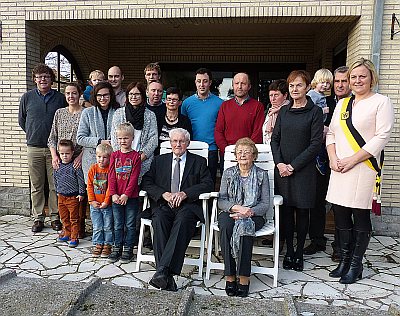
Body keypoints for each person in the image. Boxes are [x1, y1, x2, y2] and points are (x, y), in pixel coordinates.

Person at [326, 58, 394, 284]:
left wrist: (353, 160)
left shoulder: (381, 102)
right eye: (353, 77)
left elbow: (382, 136)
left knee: (360, 217)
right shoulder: (343, 104)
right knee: (342, 217)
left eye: (362, 76)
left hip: (363, 168)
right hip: (339, 168)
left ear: (372, 78)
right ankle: (344, 261)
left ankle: (356, 265)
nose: (357, 81)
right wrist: (333, 158)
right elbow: (331, 134)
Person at [142, 128, 213, 291]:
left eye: (181, 141)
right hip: (164, 205)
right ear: (170, 143)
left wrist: (185, 193)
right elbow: (147, 182)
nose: (178, 144)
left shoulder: (199, 162)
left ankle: (161, 272)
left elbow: (207, 183)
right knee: (158, 220)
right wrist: (164, 194)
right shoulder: (159, 161)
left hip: (187, 206)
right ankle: (166, 276)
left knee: (182, 221)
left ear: (187, 143)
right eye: (174, 141)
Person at [270, 70, 323, 272]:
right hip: (283, 170)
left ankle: (299, 252)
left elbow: (315, 144)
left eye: (299, 85)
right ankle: (289, 251)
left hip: (303, 171)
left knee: (302, 212)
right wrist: (280, 164)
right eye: (291, 86)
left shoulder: (314, 112)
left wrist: (293, 166)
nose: (294, 89)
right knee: (285, 212)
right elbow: (275, 139)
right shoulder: (284, 111)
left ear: (307, 87)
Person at [218, 138, 270, 298]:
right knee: (226, 226)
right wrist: (236, 208)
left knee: (245, 226)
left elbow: (265, 203)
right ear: (235, 155)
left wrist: (249, 212)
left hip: (254, 215)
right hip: (231, 212)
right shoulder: (228, 174)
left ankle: (244, 277)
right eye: (239, 152)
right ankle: (230, 275)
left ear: (254, 156)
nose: (242, 155)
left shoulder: (262, 175)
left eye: (247, 152)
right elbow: (222, 200)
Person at [18, 63, 66, 233]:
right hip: (34, 148)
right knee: (37, 185)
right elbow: (22, 121)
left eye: (46, 76)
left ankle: (55, 217)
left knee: (55, 185)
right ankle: (38, 217)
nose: (43, 79)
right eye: (39, 77)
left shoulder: (60, 98)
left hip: (55, 150)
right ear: (35, 79)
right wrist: (33, 133)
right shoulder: (27, 97)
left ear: (51, 79)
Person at [48, 82, 86, 237]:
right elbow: (52, 138)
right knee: (63, 193)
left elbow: (90, 138)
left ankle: (79, 228)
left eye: (74, 93)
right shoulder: (59, 113)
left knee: (79, 193)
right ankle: (67, 228)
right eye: (68, 93)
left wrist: (81, 156)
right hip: (62, 159)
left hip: (78, 158)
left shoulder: (86, 112)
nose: (71, 96)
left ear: (79, 94)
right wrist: (54, 155)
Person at [302, 69, 333, 256]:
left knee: (318, 200)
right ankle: (310, 236)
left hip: (326, 156)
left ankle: (317, 238)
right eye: (324, 82)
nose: (327, 86)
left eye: (329, 83)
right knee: (309, 199)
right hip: (312, 154)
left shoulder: (332, 101)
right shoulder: (312, 97)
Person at [326, 66, 352, 262]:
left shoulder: (356, 103)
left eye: (344, 81)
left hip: (349, 162)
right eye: (337, 81)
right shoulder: (324, 101)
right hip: (325, 160)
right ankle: (319, 240)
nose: (340, 85)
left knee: (344, 208)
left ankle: (341, 247)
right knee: (325, 204)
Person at [181, 68, 223, 186]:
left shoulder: (220, 103)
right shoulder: (187, 103)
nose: (201, 84)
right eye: (198, 81)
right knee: (191, 183)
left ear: (210, 83)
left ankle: (209, 205)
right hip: (191, 148)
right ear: (195, 82)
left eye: (205, 81)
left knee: (209, 182)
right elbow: (183, 126)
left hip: (211, 149)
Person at [108, 122, 141, 263]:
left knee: (130, 224)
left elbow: (134, 177)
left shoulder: (136, 156)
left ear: (132, 138)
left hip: (130, 197)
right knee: (117, 224)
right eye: (120, 138)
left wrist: (126, 194)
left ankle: (128, 249)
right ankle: (117, 247)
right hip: (116, 198)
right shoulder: (114, 155)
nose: (123, 141)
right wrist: (114, 193)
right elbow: (111, 176)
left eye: (126, 138)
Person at [111, 81, 158, 182]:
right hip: (122, 163)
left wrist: (139, 158)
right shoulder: (118, 114)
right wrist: (124, 158)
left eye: (137, 94)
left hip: (143, 162)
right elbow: (114, 139)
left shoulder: (150, 115)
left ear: (143, 95)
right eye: (131, 94)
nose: (134, 97)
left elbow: (153, 140)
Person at [77, 81, 120, 184]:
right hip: (92, 161)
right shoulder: (87, 113)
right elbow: (80, 138)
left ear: (111, 95)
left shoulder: (118, 111)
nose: (102, 98)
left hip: (114, 161)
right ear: (94, 96)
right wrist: (100, 141)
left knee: (112, 195)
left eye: (106, 95)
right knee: (95, 196)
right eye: (99, 95)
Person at [215, 72, 265, 159]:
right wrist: (227, 150)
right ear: (233, 86)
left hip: (248, 156)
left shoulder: (257, 106)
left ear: (249, 86)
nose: (239, 86)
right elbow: (218, 131)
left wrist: (245, 153)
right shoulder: (225, 106)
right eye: (237, 83)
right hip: (228, 154)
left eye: (243, 83)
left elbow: (257, 133)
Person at [53, 139, 86, 248]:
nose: (65, 156)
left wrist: (81, 193)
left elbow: (81, 180)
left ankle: (74, 236)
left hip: (73, 197)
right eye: (62, 153)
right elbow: (55, 179)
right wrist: (57, 190)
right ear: (59, 153)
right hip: (61, 196)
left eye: (67, 153)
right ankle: (67, 233)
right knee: (64, 217)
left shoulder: (75, 166)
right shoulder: (57, 166)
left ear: (72, 153)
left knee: (74, 218)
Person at [87, 143, 113, 258]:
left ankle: (107, 244)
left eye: (104, 157)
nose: (101, 160)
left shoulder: (110, 170)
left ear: (109, 158)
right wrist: (92, 201)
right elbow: (90, 186)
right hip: (95, 205)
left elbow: (110, 188)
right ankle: (98, 243)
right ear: (96, 156)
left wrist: (106, 202)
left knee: (107, 226)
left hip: (106, 205)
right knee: (97, 226)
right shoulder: (93, 169)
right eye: (99, 157)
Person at [155, 87, 192, 155]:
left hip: (178, 156)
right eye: (169, 99)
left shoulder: (185, 121)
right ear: (165, 100)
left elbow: (187, 141)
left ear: (180, 102)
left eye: (174, 100)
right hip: (158, 156)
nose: (171, 102)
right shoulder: (158, 118)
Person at [262, 79, 289, 144]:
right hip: (267, 149)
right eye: (271, 95)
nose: (273, 99)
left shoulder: (289, 111)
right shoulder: (268, 112)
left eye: (276, 95)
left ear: (285, 95)